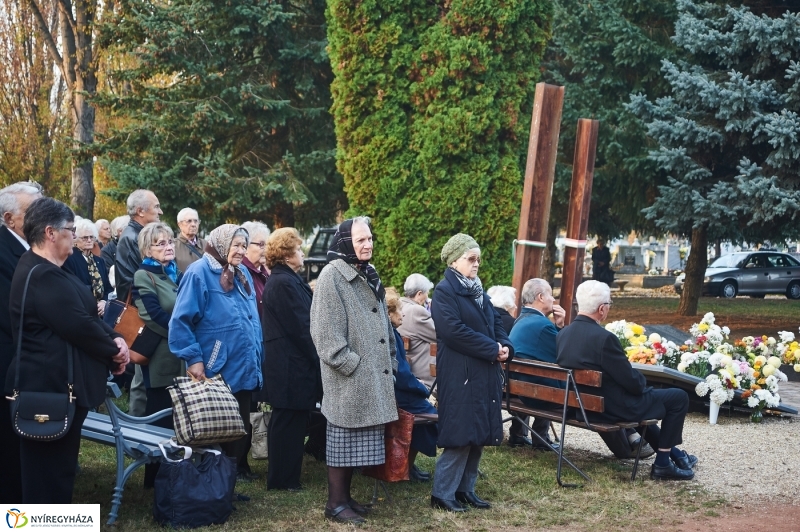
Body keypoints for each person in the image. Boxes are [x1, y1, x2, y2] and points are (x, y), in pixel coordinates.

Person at [5, 197, 129, 503]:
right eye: (70, 230)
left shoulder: (51, 269)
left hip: (61, 388)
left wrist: (115, 337)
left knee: (57, 476)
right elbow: (77, 324)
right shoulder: (41, 273)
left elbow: (87, 316)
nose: (74, 236)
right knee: (48, 481)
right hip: (49, 390)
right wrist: (115, 351)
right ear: (50, 233)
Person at [556, 280, 697, 481]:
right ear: (602, 309)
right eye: (609, 305)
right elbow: (633, 383)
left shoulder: (563, 334)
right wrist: (643, 384)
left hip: (583, 406)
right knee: (678, 397)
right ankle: (663, 464)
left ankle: (675, 455)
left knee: (647, 402)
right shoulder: (605, 338)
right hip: (610, 409)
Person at [310, 217, 397, 525]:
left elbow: (383, 324)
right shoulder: (332, 276)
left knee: (355, 443)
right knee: (341, 440)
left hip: (369, 376)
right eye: (361, 240)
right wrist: (351, 365)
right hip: (348, 379)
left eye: (370, 238)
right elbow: (325, 333)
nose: (368, 244)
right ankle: (334, 504)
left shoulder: (368, 273)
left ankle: (346, 499)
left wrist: (390, 361)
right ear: (346, 242)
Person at [169, 224, 263, 485]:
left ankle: (226, 488)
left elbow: (249, 318)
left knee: (237, 430)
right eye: (236, 245)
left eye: (244, 246)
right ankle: (211, 487)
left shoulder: (241, 272)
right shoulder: (199, 273)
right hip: (216, 368)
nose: (241, 251)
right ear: (221, 244)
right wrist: (194, 359)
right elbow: (181, 322)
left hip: (243, 366)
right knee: (215, 431)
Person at [430, 233, 513, 512]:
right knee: (460, 434)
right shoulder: (444, 291)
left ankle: (466, 489)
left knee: (478, 433)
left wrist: (505, 346)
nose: (476, 264)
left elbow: (496, 322)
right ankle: (442, 493)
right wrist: (492, 348)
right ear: (455, 261)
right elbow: (453, 332)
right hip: (460, 374)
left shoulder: (478, 289)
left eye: (478, 259)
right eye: (471, 259)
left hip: (483, 371)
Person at [259, 227, 321, 491]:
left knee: (291, 421)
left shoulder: (288, 279)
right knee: (287, 423)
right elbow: (301, 326)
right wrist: (319, 357)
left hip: (290, 363)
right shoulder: (283, 282)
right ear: (285, 255)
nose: (302, 253)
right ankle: (282, 480)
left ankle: (286, 477)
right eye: (297, 249)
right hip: (288, 365)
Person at [0, 181, 42, 503]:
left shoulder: (32, 247)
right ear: (10, 218)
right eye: (32, 211)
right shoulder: (3, 251)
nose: (41, 217)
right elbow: (11, 311)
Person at [132, 222, 184, 487]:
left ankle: (174, 476)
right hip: (160, 360)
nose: (168, 247)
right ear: (147, 248)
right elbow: (152, 316)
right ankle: (153, 481)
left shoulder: (173, 274)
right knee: (159, 421)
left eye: (170, 242)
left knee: (176, 422)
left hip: (180, 359)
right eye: (160, 243)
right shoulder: (145, 275)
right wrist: (183, 333)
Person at [117, 190, 162, 417]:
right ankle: (137, 426)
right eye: (156, 207)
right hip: (142, 314)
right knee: (142, 374)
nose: (160, 211)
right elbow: (133, 280)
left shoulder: (138, 233)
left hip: (146, 310)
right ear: (140, 211)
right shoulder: (131, 237)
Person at [386, 288, 438, 483]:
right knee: (431, 416)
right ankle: (403, 467)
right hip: (398, 395)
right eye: (399, 311)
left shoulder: (391, 332)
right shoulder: (390, 335)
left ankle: (407, 466)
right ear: (389, 314)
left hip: (396, 392)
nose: (403, 314)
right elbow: (401, 374)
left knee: (426, 415)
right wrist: (422, 389)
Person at [507, 278, 566, 450]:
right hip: (537, 395)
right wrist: (560, 327)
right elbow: (563, 355)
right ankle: (540, 438)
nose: (554, 300)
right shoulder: (542, 325)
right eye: (551, 295)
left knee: (543, 375)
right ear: (540, 297)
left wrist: (559, 325)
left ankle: (522, 434)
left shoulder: (521, 320)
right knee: (557, 381)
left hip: (518, 390)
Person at [62, 218, 113, 316]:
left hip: (102, 312)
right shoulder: (69, 260)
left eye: (92, 237)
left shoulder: (99, 261)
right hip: (82, 312)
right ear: (75, 239)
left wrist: (104, 302)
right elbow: (73, 290)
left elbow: (108, 288)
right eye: (85, 238)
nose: (89, 240)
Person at [397, 273, 436, 388]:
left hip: (408, 372)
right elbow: (440, 333)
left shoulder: (400, 305)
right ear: (419, 293)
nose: (427, 296)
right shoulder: (416, 311)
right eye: (427, 292)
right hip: (425, 380)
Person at [241, 221, 271, 320]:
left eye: (267, 244)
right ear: (245, 247)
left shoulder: (264, 273)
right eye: (261, 244)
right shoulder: (240, 273)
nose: (266, 249)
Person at [174, 207, 206, 272]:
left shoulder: (206, 244)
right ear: (180, 224)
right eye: (189, 221)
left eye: (196, 221)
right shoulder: (172, 245)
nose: (193, 224)